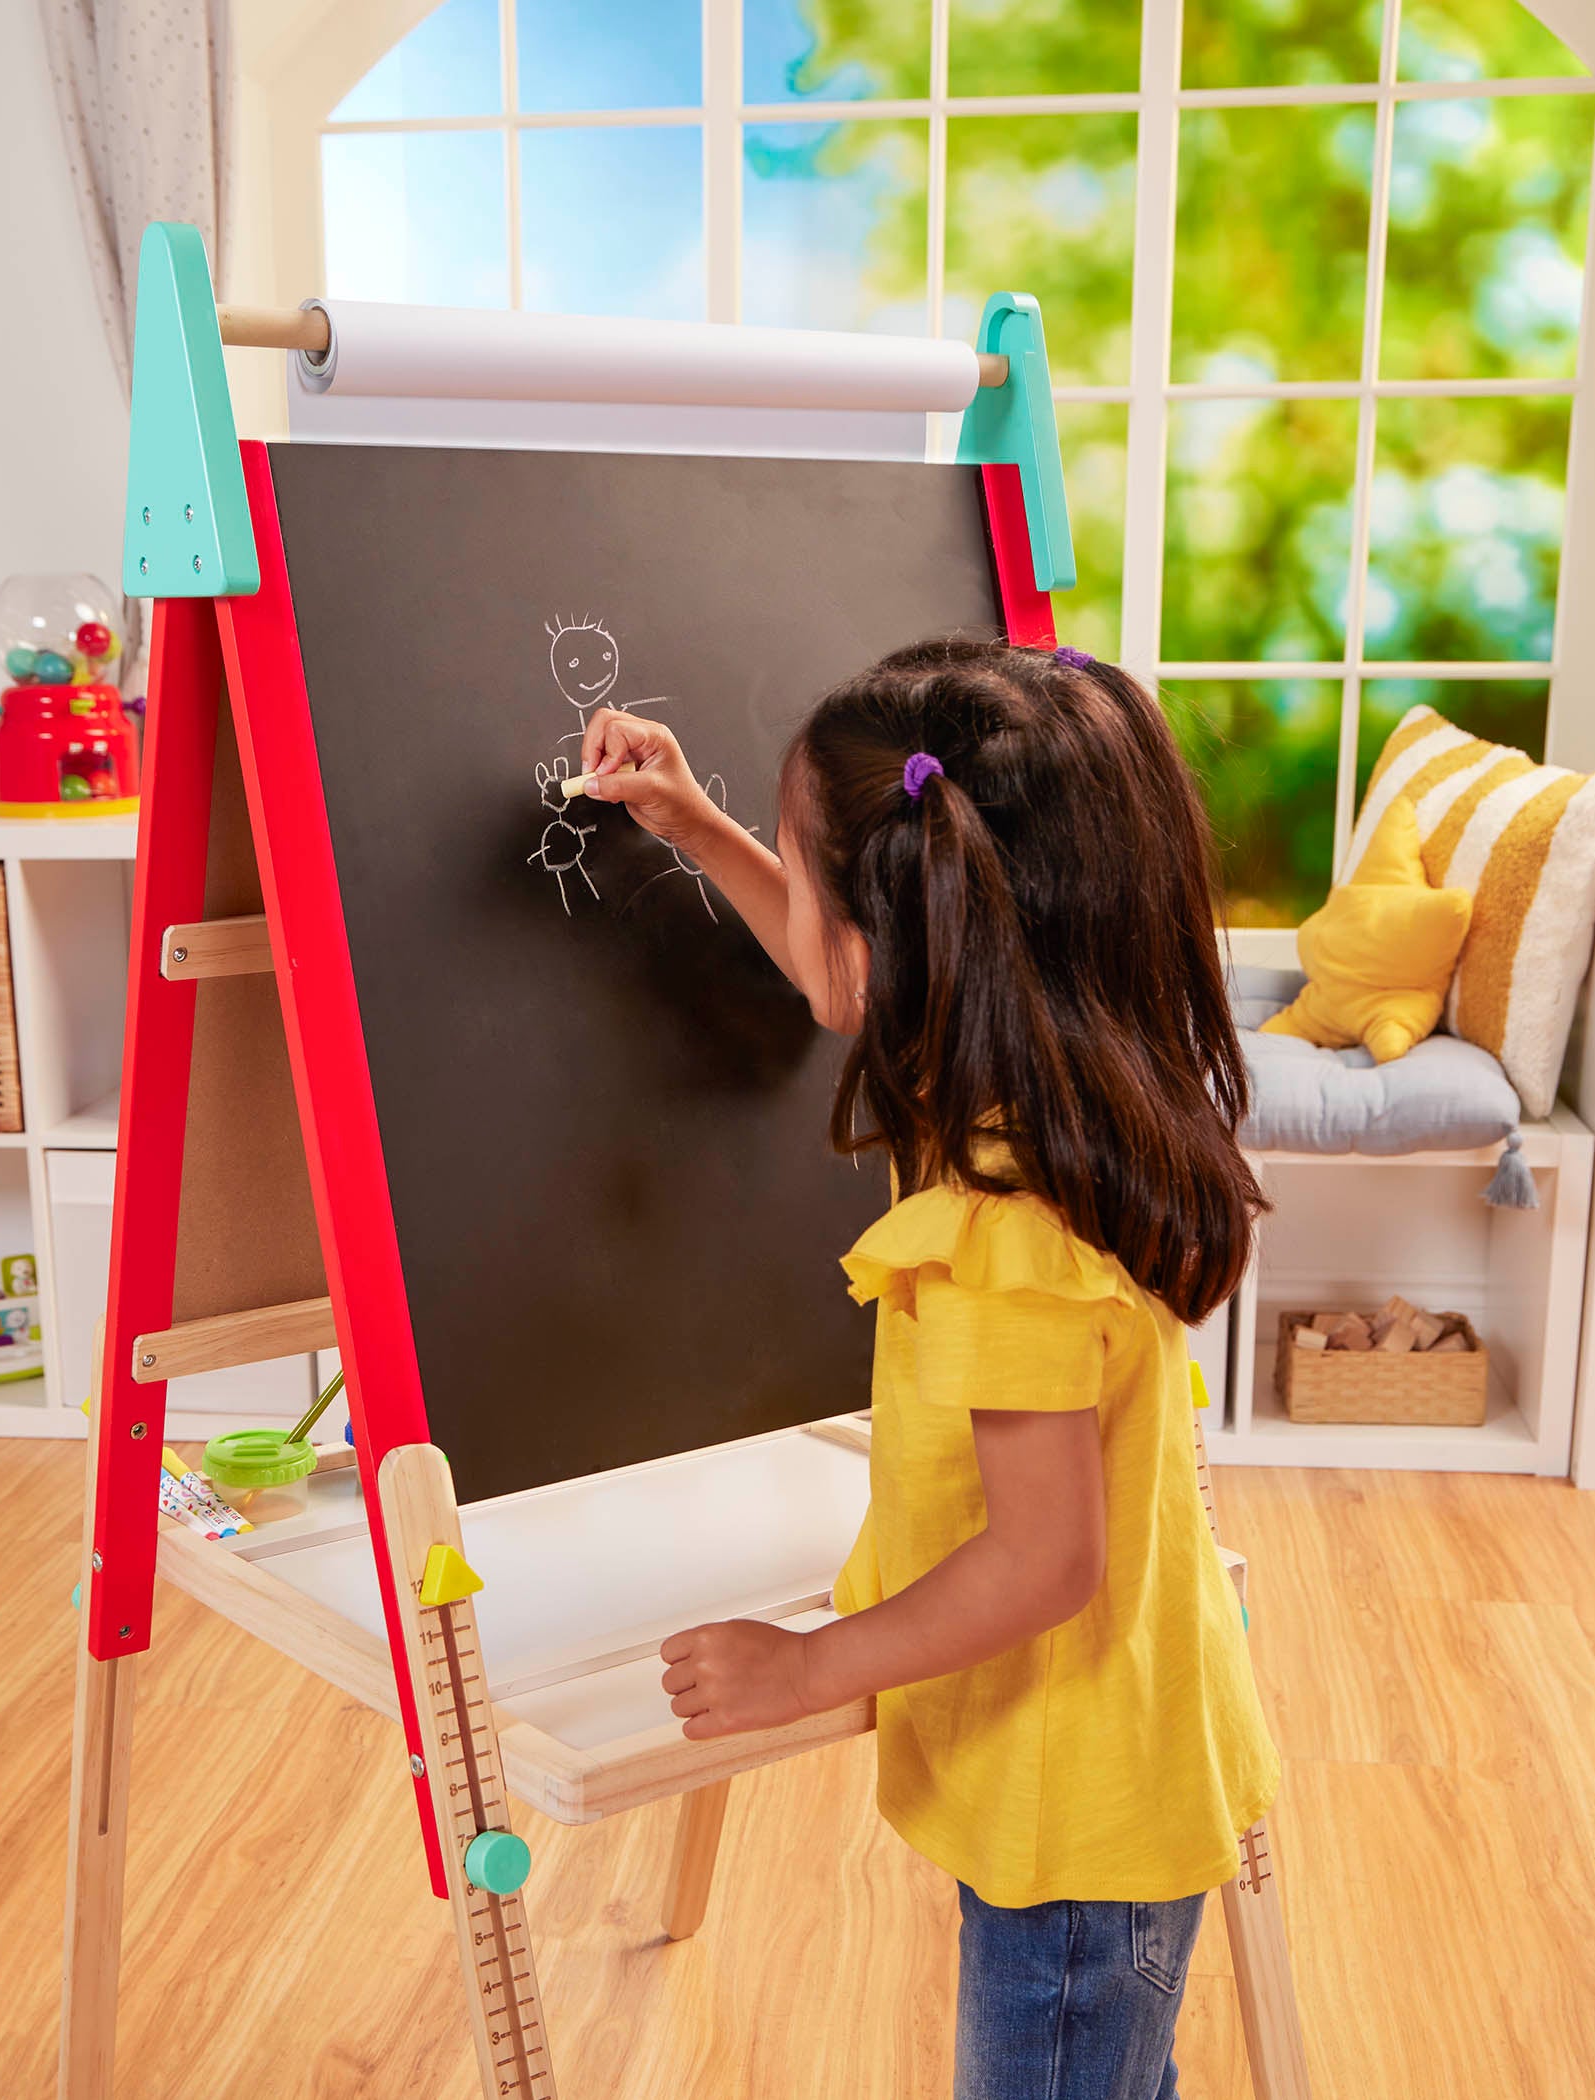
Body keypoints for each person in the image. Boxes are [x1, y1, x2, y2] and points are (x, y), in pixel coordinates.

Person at [577, 637, 1279, 2100]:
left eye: (799, 868)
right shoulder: (1037, 1080)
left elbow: (1041, 1563)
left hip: (1074, 1841)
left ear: (906, 934)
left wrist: (808, 1668)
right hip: (1104, 1773)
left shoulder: (997, 1228)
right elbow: (844, 976)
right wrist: (702, 826)